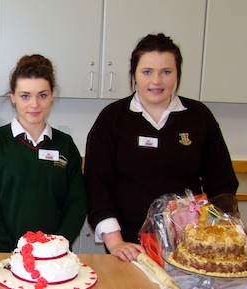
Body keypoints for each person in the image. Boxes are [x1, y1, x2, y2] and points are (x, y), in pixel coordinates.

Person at [84, 33, 238, 262]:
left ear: (177, 75)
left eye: (166, 72)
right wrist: (115, 242)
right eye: (147, 72)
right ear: (134, 74)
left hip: (190, 247)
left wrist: (213, 234)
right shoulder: (112, 119)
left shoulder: (199, 117)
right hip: (129, 246)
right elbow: (97, 185)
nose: (156, 81)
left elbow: (222, 183)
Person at [0, 54, 87, 252]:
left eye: (42, 95)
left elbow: (76, 204)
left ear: (52, 95)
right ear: (13, 97)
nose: (34, 104)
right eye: (25, 96)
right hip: (4, 255)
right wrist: (5, 252)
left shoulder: (65, 144)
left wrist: (55, 247)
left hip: (53, 256)